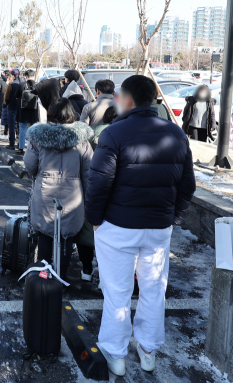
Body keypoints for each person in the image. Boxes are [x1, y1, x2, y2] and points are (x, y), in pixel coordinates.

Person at [85, 75, 196, 376]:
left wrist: (94, 220)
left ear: (128, 99)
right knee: (153, 289)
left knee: (117, 292)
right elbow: (187, 186)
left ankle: (116, 353)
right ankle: (148, 349)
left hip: (118, 228)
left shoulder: (113, 134)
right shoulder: (176, 134)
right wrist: (172, 219)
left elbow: (98, 185)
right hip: (158, 228)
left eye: (120, 97)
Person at [24, 98, 93, 282]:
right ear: (72, 114)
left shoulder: (38, 137)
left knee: (46, 234)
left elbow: (30, 166)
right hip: (74, 195)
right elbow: (88, 172)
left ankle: (43, 278)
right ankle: (60, 277)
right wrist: (88, 200)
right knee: (66, 236)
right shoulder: (82, 139)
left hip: (45, 192)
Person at [16, 69, 39, 155]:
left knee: (22, 129)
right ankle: (33, 148)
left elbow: (17, 95)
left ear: (26, 76)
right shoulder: (37, 85)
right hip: (33, 110)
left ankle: (21, 148)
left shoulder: (22, 84)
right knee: (33, 130)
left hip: (23, 110)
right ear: (34, 76)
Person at [3, 69, 24, 150]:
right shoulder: (23, 83)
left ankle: (12, 144)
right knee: (20, 126)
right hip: (21, 107)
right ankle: (20, 144)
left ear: (13, 76)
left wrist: (6, 104)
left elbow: (6, 97)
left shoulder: (11, 84)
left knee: (11, 126)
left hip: (11, 107)